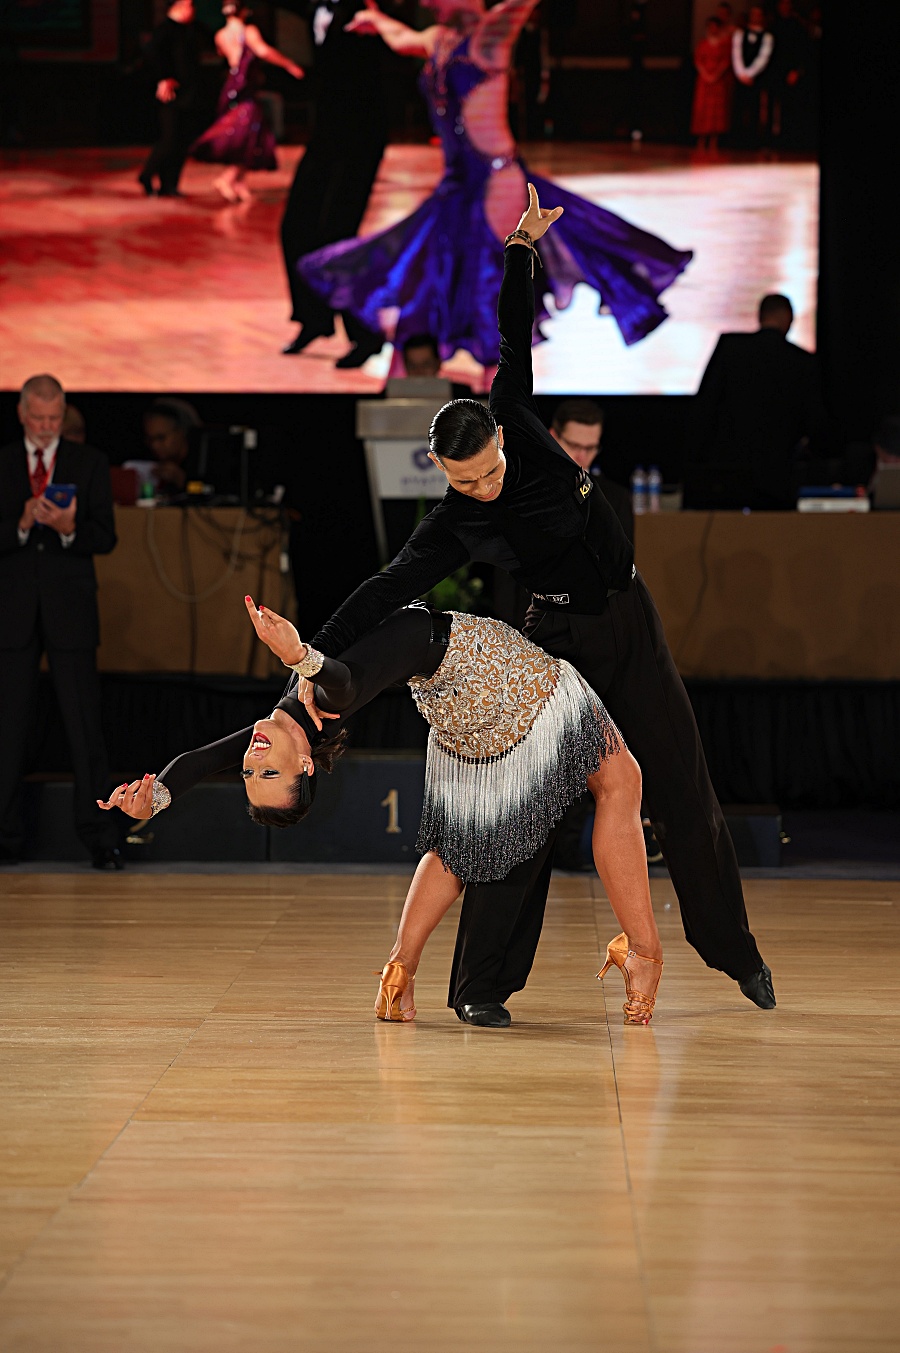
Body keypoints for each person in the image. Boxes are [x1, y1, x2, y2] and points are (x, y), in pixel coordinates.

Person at [299, 184, 775, 1021]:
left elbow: (512, 329)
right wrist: (317, 654)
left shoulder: (511, 408)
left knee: (682, 784)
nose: (480, 488)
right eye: (463, 482)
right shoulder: (454, 520)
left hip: (630, 620)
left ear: (500, 437)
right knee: (524, 812)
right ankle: (481, 988)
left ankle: (733, 951)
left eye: (487, 471)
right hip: (555, 641)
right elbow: (386, 586)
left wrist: (522, 247)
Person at [106, 595, 664, 1027]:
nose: (253, 763)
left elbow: (201, 760)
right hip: (491, 672)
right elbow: (343, 686)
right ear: (304, 766)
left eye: (251, 775)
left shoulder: (276, 730)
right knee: (621, 782)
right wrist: (298, 655)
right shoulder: (318, 704)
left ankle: (399, 971)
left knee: (455, 843)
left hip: (453, 703)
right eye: (268, 773)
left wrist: (153, 799)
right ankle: (644, 953)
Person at [296, 0, 692, 373]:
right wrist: (378, 20)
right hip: (457, 187)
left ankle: (500, 415)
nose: (429, 2)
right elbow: (403, 40)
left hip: (496, 180)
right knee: (432, 287)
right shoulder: (439, 38)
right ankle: (427, 394)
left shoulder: (490, 35)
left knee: (492, 297)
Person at [0, 375, 121, 869]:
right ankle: (4, 838)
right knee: (8, 727)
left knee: (83, 727)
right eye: (39, 419)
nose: (48, 428)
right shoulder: (4, 462)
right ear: (23, 415)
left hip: (70, 612)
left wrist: (71, 531)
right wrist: (22, 523)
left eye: (55, 419)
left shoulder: (87, 462)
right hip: (13, 614)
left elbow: (106, 537)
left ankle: (100, 836)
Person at [280, 0, 389, 366]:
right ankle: (314, 318)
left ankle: (365, 334)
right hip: (325, 137)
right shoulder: (315, 8)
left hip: (360, 141)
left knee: (337, 240)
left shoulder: (364, 12)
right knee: (294, 228)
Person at [691, 292, 827, 508]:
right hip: (779, 479)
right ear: (788, 319)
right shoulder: (802, 362)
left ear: (760, 316)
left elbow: (705, 408)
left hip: (728, 476)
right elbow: (815, 423)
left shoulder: (730, 349)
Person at [189, 1, 303, 203]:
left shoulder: (220, 35)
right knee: (248, 132)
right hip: (244, 84)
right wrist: (289, 64)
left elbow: (225, 55)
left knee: (248, 132)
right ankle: (228, 178)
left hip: (233, 84)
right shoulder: (248, 31)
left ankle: (238, 181)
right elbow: (262, 51)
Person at [139, 0, 205, 197]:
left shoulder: (190, 30)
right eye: (190, 5)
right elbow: (151, 54)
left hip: (188, 92)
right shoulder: (165, 30)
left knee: (181, 141)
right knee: (170, 138)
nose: (193, 10)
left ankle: (170, 185)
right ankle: (147, 174)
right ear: (179, 7)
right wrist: (163, 79)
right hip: (171, 93)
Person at [731, 5, 774, 148]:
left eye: (758, 14)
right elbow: (736, 54)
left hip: (757, 78)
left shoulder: (767, 36)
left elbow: (763, 57)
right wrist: (741, 73)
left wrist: (750, 74)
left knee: (756, 108)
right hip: (740, 76)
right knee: (739, 107)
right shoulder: (739, 34)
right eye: (753, 14)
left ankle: (755, 141)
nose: (755, 17)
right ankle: (738, 140)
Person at [142, 398, 203, 496]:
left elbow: (211, 490)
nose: (154, 445)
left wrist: (182, 480)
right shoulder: (152, 461)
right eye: (150, 439)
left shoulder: (202, 461)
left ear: (181, 432)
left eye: (161, 438)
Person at [691, 15, 733, 152]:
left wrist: (715, 75)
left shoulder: (723, 45)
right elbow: (698, 60)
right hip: (704, 80)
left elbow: (726, 61)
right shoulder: (703, 44)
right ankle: (701, 141)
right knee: (702, 109)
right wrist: (706, 75)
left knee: (716, 110)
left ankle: (714, 141)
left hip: (718, 80)